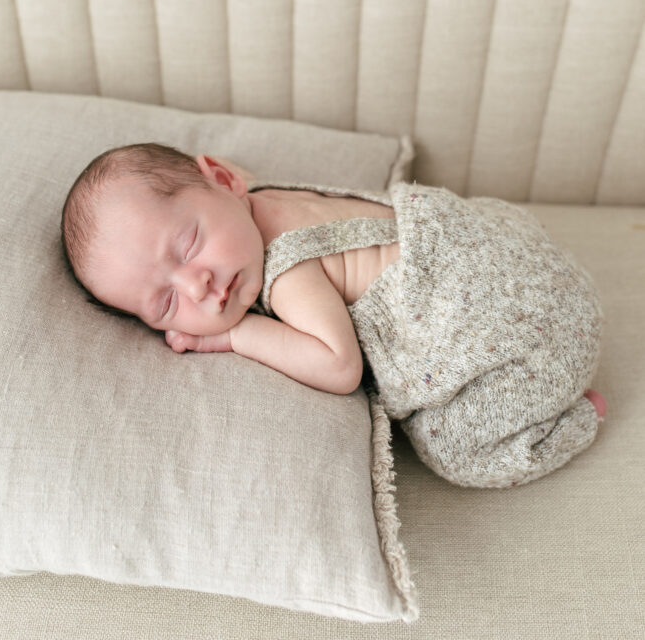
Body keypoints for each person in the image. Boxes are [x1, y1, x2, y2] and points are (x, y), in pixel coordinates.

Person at [61, 142, 606, 488]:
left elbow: (339, 365)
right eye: (166, 303)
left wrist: (239, 335)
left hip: (527, 335)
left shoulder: (287, 269)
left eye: (187, 245)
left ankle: (575, 419)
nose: (198, 284)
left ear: (222, 180)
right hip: (516, 253)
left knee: (455, 450)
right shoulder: (256, 197)